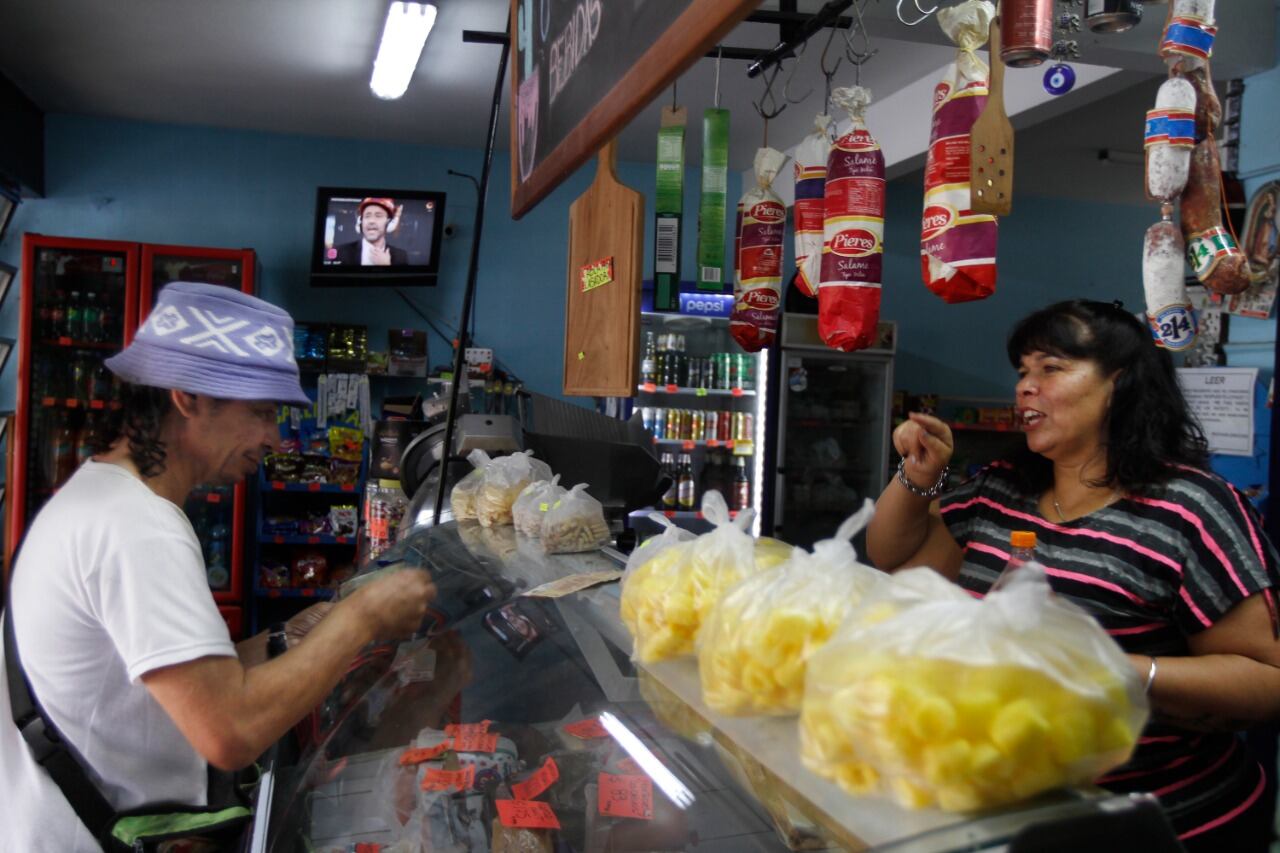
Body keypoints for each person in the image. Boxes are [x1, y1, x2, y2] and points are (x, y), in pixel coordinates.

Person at [0, 282, 436, 851]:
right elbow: (229, 732)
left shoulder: (105, 500)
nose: (273, 437)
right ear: (188, 397)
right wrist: (365, 619)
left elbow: (189, 680)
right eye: (260, 412)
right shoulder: (138, 528)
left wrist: (296, 631)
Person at [867, 299, 1280, 852]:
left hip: (1162, 823)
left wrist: (1116, 670)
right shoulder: (1002, 489)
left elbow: (1266, 679)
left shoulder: (1192, 508)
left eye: (1051, 368)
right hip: (1015, 814)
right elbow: (899, 563)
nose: (1025, 387)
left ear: (1121, 382)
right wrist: (920, 476)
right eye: (1022, 372)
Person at [332, 197, 408, 266]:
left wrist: (386, 266)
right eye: (367, 216)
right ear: (360, 222)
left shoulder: (401, 256)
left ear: (389, 223)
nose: (371, 221)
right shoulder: (340, 252)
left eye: (378, 216)